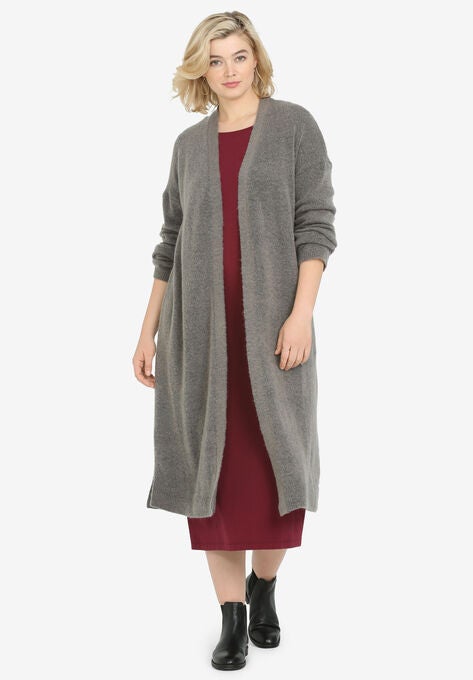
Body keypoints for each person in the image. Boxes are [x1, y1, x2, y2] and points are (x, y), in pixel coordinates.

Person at [133, 11, 337, 671]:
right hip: (200, 341)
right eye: (215, 59)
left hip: (273, 339)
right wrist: (147, 331)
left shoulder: (294, 127)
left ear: (257, 60)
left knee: (277, 473)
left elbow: (315, 224)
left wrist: (300, 314)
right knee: (212, 479)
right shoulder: (188, 146)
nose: (228, 71)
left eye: (239, 56)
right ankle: (231, 619)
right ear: (201, 68)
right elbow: (170, 241)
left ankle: (264, 586)